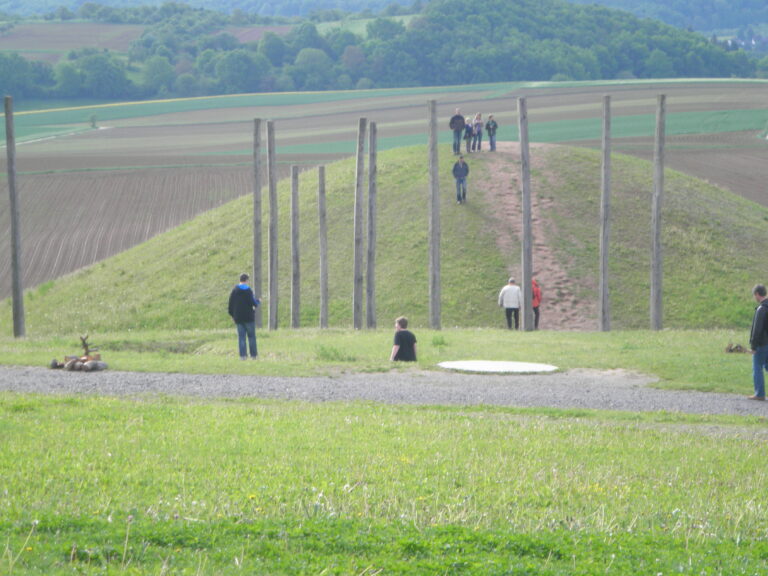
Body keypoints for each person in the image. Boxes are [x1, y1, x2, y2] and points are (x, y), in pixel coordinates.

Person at [228, 273, 260, 360]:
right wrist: (258, 301)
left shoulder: (234, 290)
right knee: (251, 337)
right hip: (249, 317)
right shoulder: (248, 290)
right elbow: (253, 303)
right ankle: (253, 355)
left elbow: (230, 304)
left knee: (241, 337)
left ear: (240, 280)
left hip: (238, 318)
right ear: (246, 280)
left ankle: (243, 356)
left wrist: (232, 315)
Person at [748, 284, 768, 400]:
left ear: (757, 294)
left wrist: (753, 346)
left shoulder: (761, 309)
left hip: (762, 344)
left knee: (757, 367)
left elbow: (757, 329)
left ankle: (760, 394)